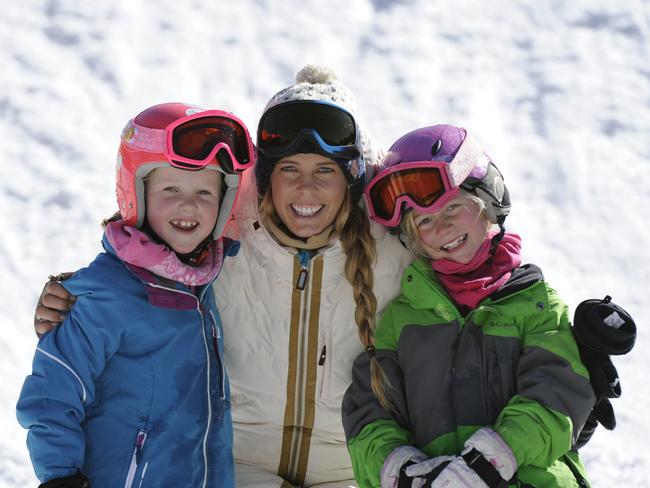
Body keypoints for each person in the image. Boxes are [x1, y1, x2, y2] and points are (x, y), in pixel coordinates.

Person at [30, 66, 414, 487]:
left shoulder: (394, 247)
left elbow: (465, 269)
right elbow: (146, 261)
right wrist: (76, 293)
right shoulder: (226, 239)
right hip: (236, 469)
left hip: (350, 472)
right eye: (289, 170)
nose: (306, 189)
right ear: (266, 180)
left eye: (325, 170)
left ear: (352, 178)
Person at [341, 124, 596, 488]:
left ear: (488, 200)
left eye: (453, 207)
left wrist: (491, 460)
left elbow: (555, 397)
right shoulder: (401, 320)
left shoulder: (536, 304)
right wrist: (400, 470)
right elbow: (369, 411)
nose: (442, 227)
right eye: (424, 221)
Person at [17, 102, 255, 488]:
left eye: (205, 193)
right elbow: (53, 391)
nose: (188, 204)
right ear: (136, 193)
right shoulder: (108, 292)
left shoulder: (207, 282)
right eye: (171, 188)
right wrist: (60, 476)